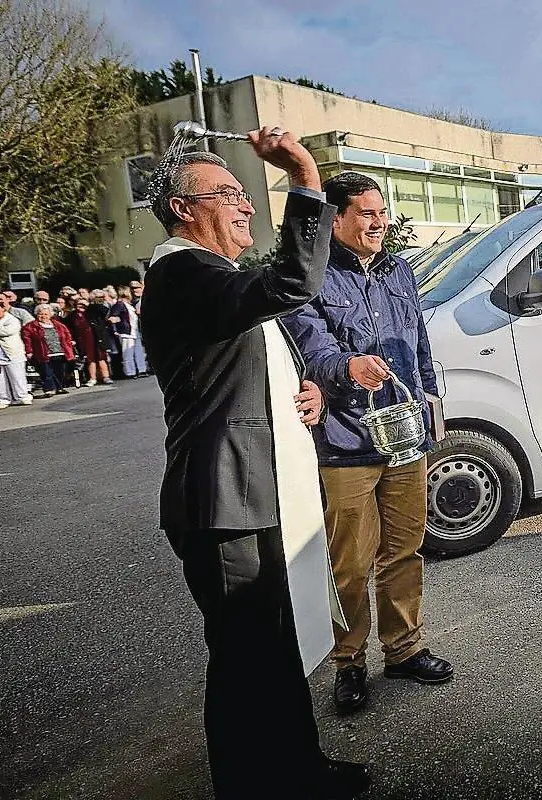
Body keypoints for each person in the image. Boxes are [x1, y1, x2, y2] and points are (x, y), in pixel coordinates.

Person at [139, 127, 369, 799]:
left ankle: (298, 769)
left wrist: (303, 389)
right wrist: (302, 172)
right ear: (184, 208)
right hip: (222, 500)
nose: (245, 205)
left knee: (274, 648)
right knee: (245, 660)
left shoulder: (213, 280)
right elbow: (294, 280)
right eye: (229, 193)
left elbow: (250, 360)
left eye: (246, 193)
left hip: (253, 490)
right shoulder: (182, 270)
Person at [283, 171, 452, 716]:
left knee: (404, 549)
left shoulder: (399, 269)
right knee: (350, 562)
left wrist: (429, 402)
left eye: (382, 212)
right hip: (345, 441)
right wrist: (346, 368)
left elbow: (418, 340)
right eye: (367, 214)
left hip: (404, 436)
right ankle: (349, 662)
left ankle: (404, 649)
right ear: (336, 218)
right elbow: (311, 347)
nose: (380, 223)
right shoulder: (312, 275)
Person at [0, 299, 33, 407]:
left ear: (3, 308)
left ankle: (22, 396)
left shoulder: (12, 319)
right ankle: (3, 399)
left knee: (17, 376)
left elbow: (8, 331)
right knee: (0, 377)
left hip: (13, 352)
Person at [21, 304, 75, 398]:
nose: (43, 316)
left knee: (60, 371)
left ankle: (59, 387)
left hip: (60, 351)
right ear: (36, 315)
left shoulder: (58, 325)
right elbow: (27, 339)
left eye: (46, 314)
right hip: (43, 353)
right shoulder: (30, 326)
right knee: (47, 372)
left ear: (50, 315)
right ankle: (49, 389)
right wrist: (29, 351)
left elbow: (67, 335)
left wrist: (69, 343)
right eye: (40, 314)